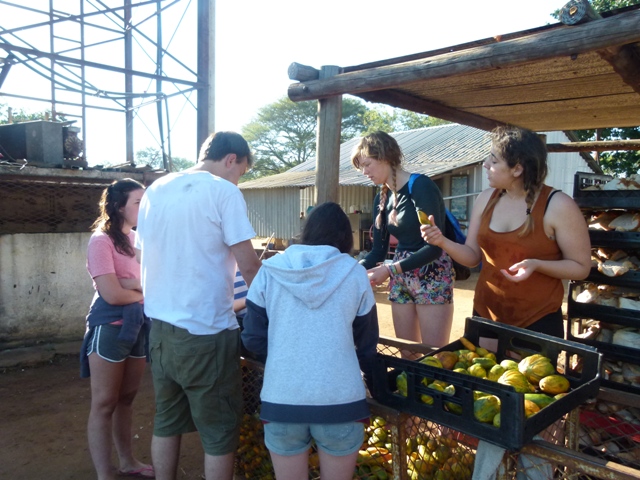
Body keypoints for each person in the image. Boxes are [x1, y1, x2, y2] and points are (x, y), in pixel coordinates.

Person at [134, 131, 262, 480]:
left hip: (159, 329)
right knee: (219, 430)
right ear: (231, 159)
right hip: (206, 331)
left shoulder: (156, 190)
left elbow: (142, 256)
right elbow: (249, 265)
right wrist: (272, 304)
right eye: (241, 171)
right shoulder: (223, 191)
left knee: (166, 419)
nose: (239, 179)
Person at [241, 201, 379, 480]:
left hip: (282, 400)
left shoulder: (269, 271)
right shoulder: (355, 274)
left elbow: (253, 339)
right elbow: (367, 346)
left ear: (307, 232)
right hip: (341, 401)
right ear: (345, 237)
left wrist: (287, 353)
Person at [420, 125, 591, 338]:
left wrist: (536, 265)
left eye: (493, 161)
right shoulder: (486, 199)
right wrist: (442, 241)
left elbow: (581, 267)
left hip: (537, 319)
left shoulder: (558, 205)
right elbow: (473, 257)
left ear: (517, 169)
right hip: (486, 312)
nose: (485, 165)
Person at [352, 131, 454, 348]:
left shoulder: (420, 186)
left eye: (367, 164)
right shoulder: (382, 198)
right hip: (400, 276)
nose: (364, 172)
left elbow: (434, 248)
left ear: (386, 157)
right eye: (361, 166)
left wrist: (389, 270)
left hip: (431, 272)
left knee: (433, 355)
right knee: (406, 353)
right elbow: (377, 252)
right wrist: (351, 271)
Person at [80, 178, 154, 479]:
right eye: (138, 202)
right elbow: (111, 294)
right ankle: (104, 473)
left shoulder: (138, 239)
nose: (144, 207)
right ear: (118, 206)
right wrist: (140, 290)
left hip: (138, 326)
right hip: (109, 327)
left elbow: (153, 285)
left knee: (127, 398)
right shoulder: (101, 241)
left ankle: (127, 461)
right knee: (104, 402)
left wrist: (132, 285)